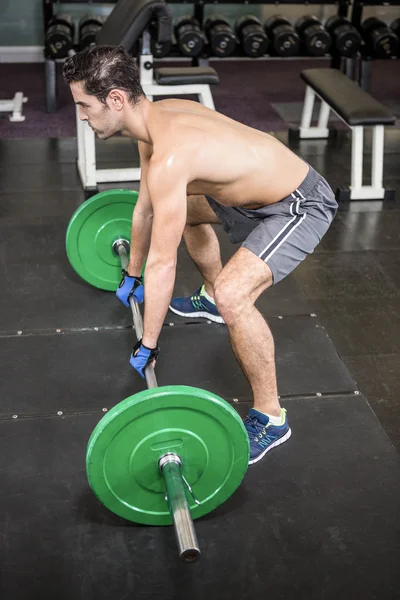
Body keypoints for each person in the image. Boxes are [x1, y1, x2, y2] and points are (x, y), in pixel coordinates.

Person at [63, 45, 338, 465]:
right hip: (249, 196)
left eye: (85, 105)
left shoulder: (171, 154)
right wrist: (131, 276)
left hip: (298, 203)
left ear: (115, 99)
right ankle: (207, 296)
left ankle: (271, 417)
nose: (82, 116)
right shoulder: (153, 124)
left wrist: (149, 342)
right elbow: (146, 208)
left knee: (235, 296)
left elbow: (164, 259)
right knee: (186, 209)